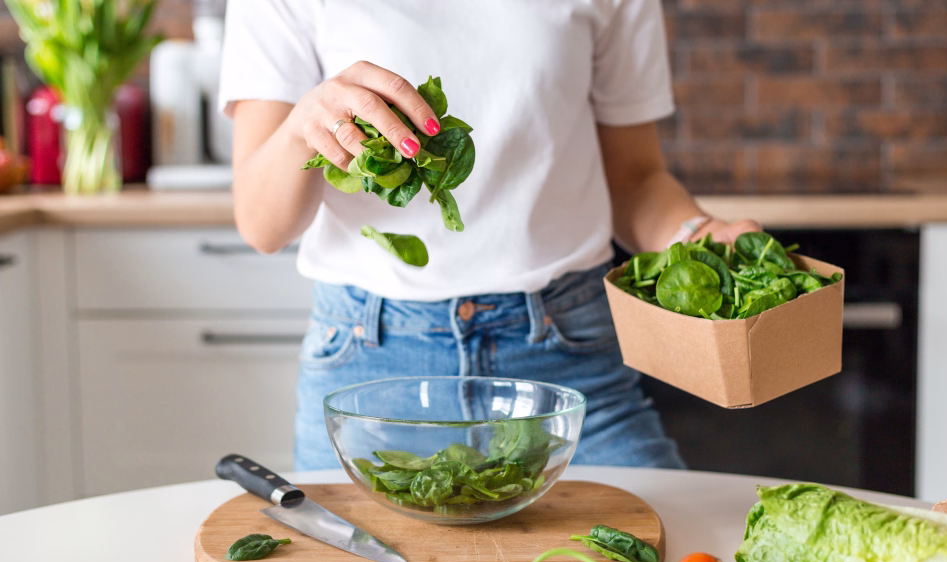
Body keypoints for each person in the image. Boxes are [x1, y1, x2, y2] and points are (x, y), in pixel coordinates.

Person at [218, 0, 761, 472]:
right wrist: (300, 128)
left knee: (666, 546)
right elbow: (261, 225)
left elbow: (636, 179)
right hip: (372, 364)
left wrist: (698, 234)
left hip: (567, 355)